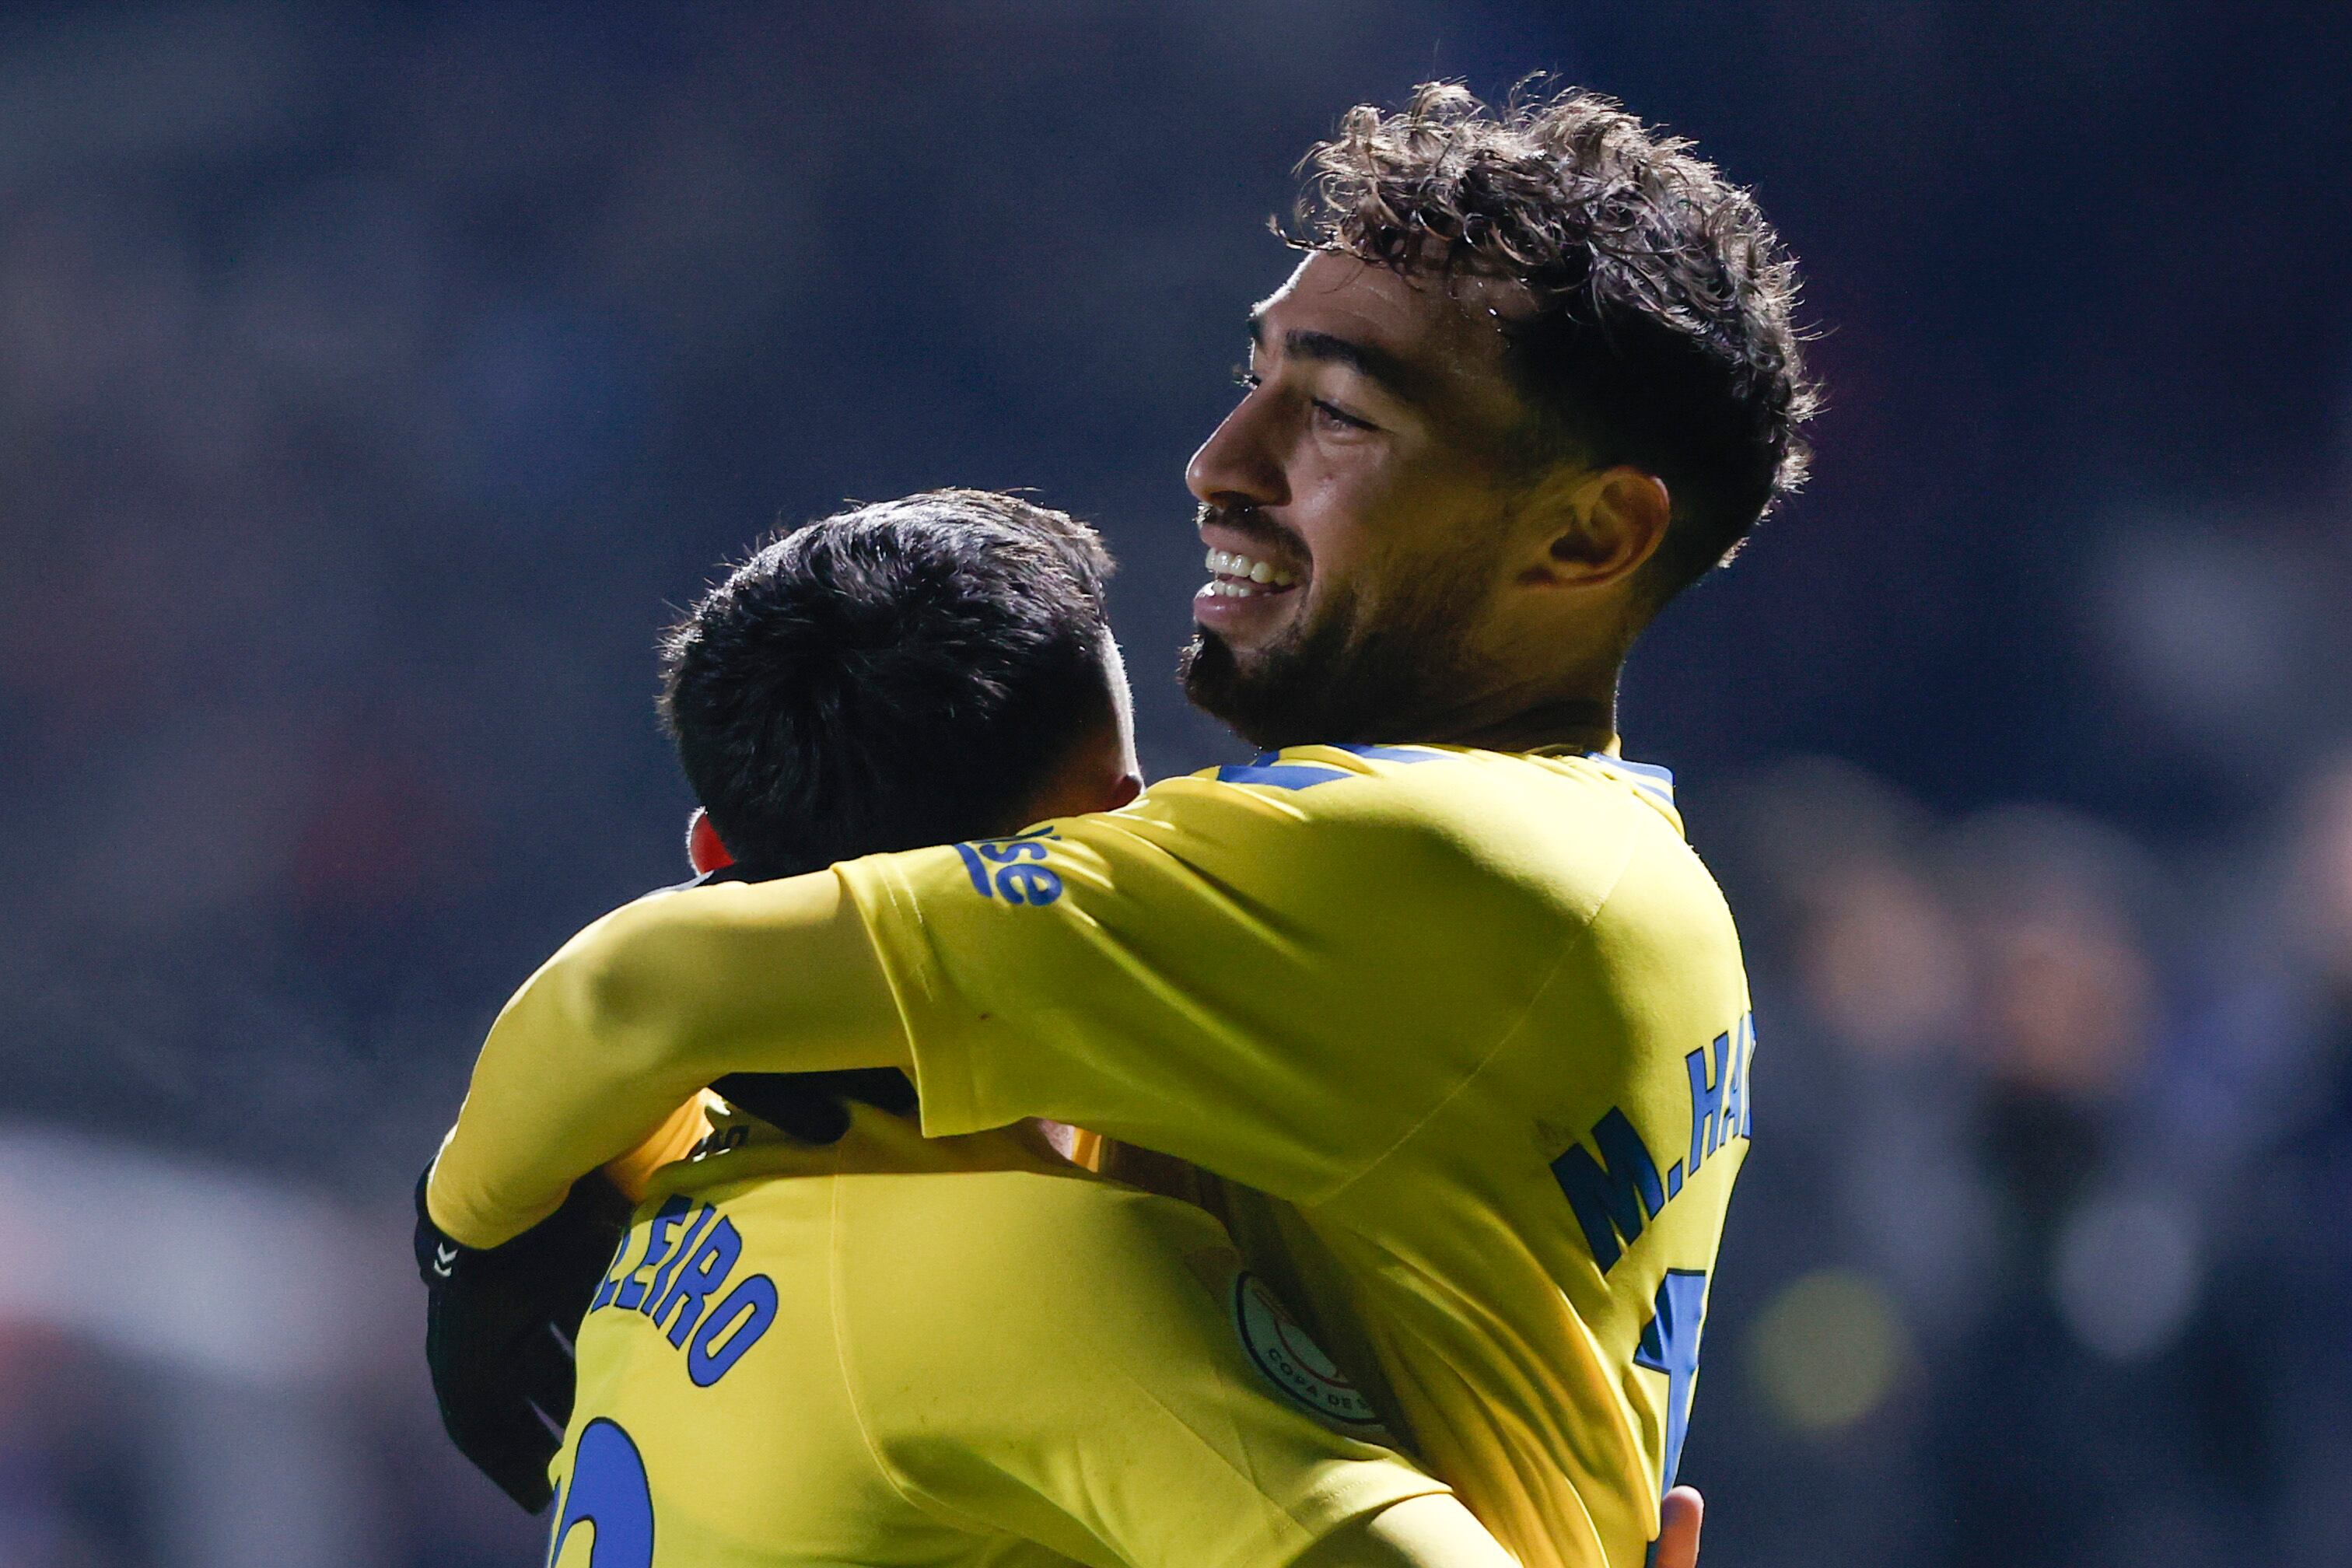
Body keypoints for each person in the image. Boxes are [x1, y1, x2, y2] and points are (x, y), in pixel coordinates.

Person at [426, 81, 1811, 1568]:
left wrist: (474, 1257)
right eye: (1257, 373)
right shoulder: (1617, 878)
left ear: (1588, 534)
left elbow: (645, 991)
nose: (1221, 458)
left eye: (1336, 412)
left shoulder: (1410, 861)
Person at [443, 490, 1547, 1568]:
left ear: (713, 864)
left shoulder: (628, 1153)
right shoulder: (1041, 1280)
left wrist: (453, 1237)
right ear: (1106, 840)